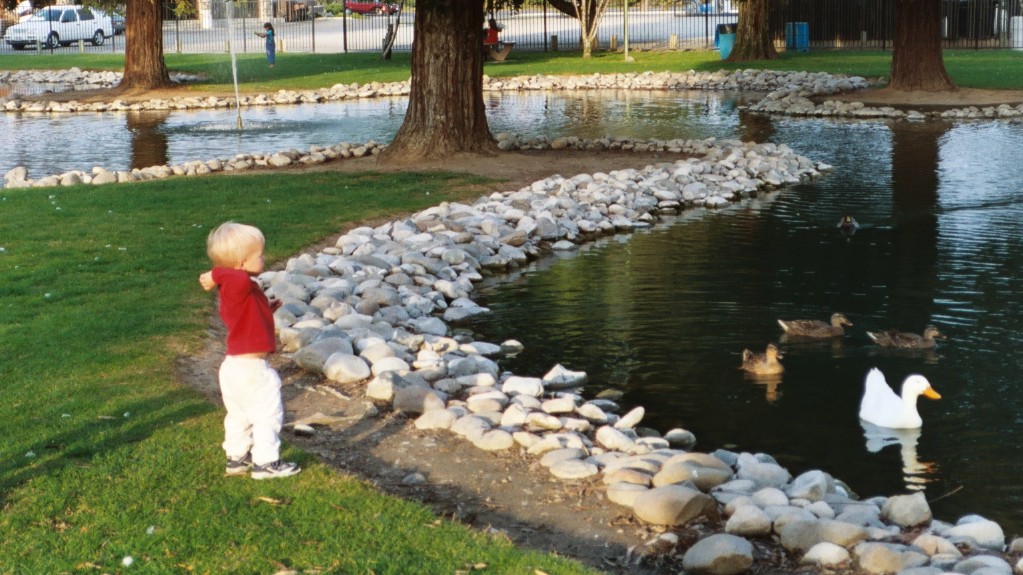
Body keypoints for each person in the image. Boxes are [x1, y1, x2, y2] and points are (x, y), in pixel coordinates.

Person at [199, 222, 300, 480]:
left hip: (234, 367)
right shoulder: (237, 282)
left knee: (239, 415)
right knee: (267, 413)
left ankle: (236, 458)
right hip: (251, 369)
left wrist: (267, 308)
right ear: (242, 263)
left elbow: (247, 315)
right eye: (259, 255)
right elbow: (231, 275)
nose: (264, 258)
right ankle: (266, 462)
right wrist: (215, 274)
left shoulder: (240, 290)